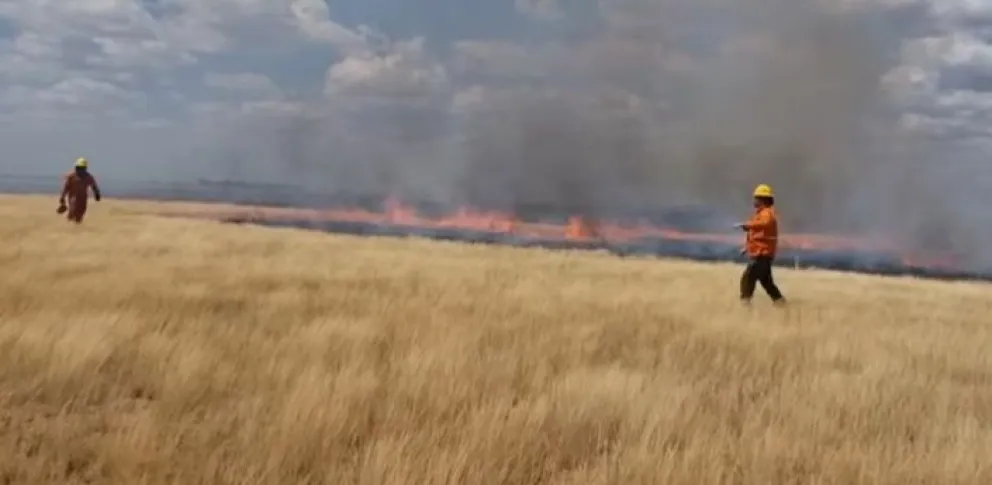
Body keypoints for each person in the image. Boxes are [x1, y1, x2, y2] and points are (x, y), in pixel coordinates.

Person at [735, 184, 786, 305]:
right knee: (766, 281)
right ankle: (780, 302)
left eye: (756, 198)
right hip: (760, 252)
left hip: (762, 253)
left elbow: (764, 224)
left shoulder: (767, 213)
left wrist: (747, 225)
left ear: (763, 199)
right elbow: (755, 235)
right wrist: (746, 248)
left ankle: (745, 303)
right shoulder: (760, 214)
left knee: (748, 277)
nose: (754, 201)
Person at [58, 157, 101, 224]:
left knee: (80, 214)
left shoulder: (88, 177)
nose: (80, 170)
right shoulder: (71, 176)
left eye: (82, 168)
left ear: (85, 168)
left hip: (83, 199)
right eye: (78, 168)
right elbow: (66, 187)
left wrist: (97, 194)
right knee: (72, 210)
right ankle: (68, 225)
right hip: (73, 197)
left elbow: (94, 186)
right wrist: (62, 197)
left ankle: (76, 228)